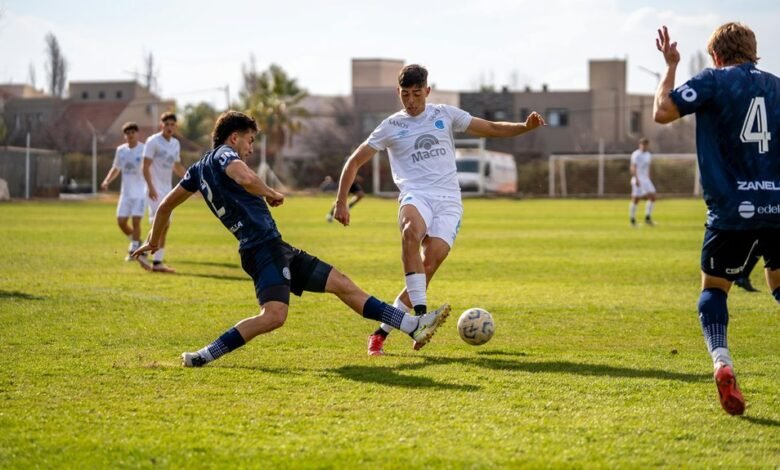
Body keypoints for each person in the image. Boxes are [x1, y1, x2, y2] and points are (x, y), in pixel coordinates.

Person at [132, 110, 450, 367]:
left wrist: (154, 241)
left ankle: (412, 325)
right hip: (262, 250)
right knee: (274, 316)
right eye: (250, 141)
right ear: (233, 138)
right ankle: (205, 355)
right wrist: (269, 191)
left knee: (341, 283)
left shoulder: (196, 170)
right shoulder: (223, 156)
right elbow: (242, 175)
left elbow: (165, 206)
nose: (251, 149)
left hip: (275, 247)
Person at [334, 64, 545, 355]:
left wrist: (524, 127)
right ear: (398, 92)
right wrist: (341, 201)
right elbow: (354, 161)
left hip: (448, 203)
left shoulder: (444, 115)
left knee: (428, 266)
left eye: (417, 94)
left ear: (427, 92)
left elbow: (492, 128)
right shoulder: (391, 126)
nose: (410, 100)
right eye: (405, 94)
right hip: (415, 195)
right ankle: (421, 316)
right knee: (410, 232)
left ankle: (380, 334)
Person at [654, 23, 780, 415]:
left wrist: (671, 67)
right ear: (753, 51)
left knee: (714, 288)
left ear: (716, 55)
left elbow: (663, 112)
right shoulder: (778, 85)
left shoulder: (712, 80)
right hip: (778, 207)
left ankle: (722, 361)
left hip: (730, 211)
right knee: (778, 280)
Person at [100, 122, 151, 270]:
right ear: (125, 135)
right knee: (121, 222)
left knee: (136, 222)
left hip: (141, 193)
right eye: (127, 133)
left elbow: (149, 168)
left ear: (137, 133)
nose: (130, 135)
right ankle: (137, 241)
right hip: (126, 193)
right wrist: (107, 180)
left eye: (133, 132)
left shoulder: (143, 149)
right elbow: (116, 168)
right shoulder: (121, 150)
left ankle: (134, 250)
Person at [142, 111, 186, 273]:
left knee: (165, 226)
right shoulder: (153, 141)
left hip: (167, 190)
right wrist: (151, 187)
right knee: (161, 223)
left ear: (175, 126)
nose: (169, 127)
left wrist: (193, 178)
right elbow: (145, 166)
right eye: (166, 124)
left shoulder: (175, 143)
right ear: (161, 125)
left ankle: (157, 262)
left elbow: (177, 166)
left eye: (172, 124)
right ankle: (143, 253)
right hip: (154, 190)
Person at [629, 137, 656, 226]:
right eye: (643, 144)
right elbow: (633, 167)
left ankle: (647, 218)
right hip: (638, 178)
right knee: (636, 199)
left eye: (646, 145)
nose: (644, 146)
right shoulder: (636, 154)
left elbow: (648, 168)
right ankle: (632, 220)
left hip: (646, 179)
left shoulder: (648, 155)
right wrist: (636, 178)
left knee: (653, 197)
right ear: (640, 145)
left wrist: (649, 178)